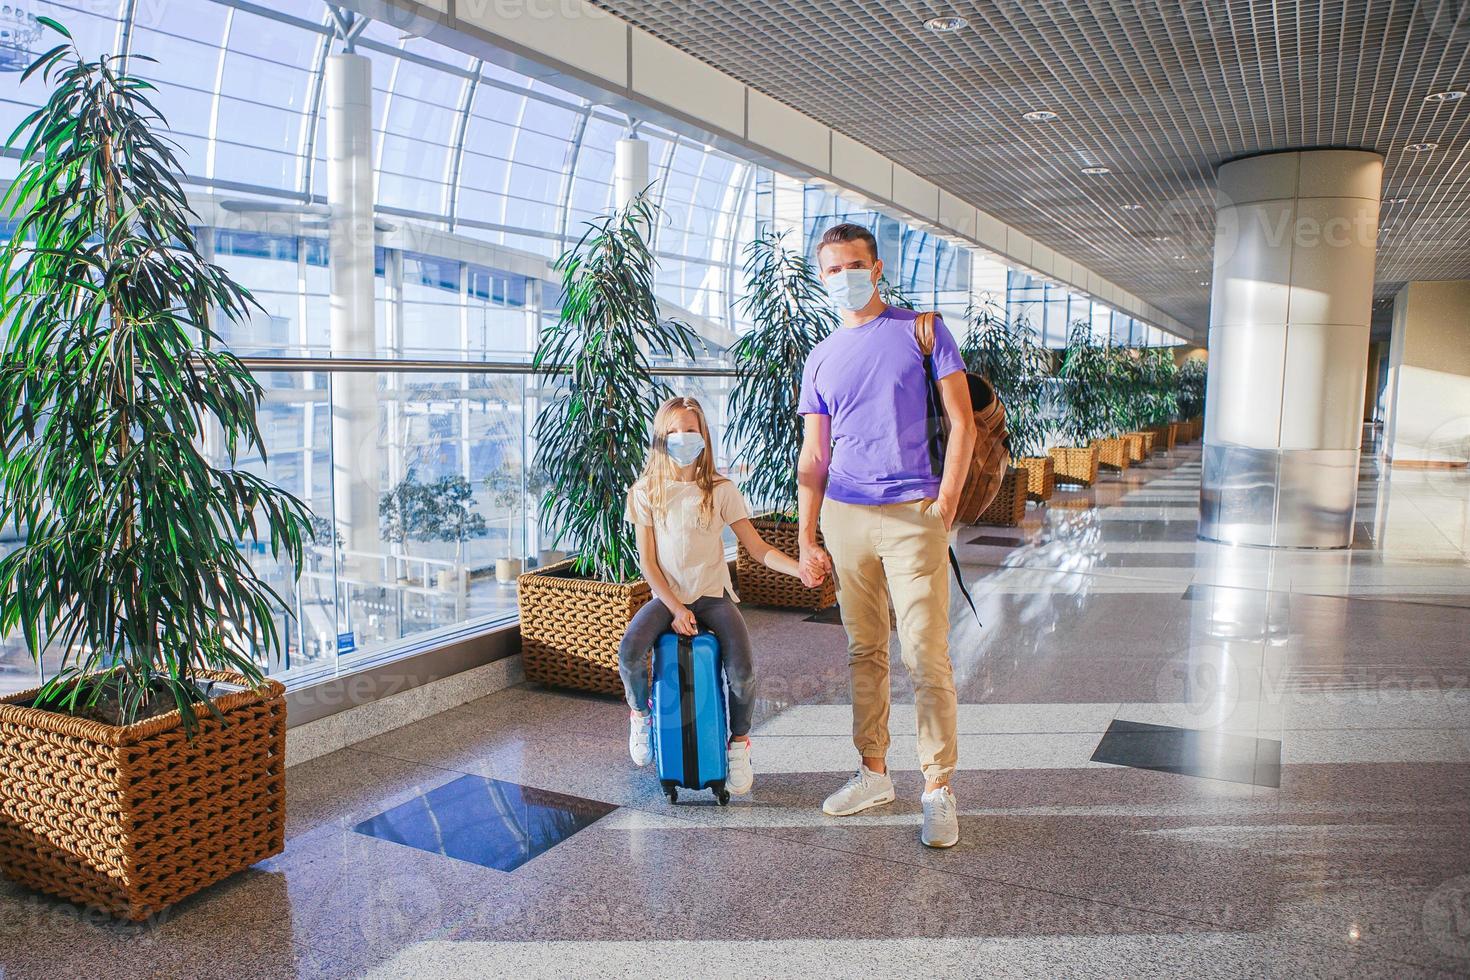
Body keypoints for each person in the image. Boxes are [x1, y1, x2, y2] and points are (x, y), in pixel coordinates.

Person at [794, 222, 977, 848]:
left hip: (913, 512)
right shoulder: (819, 357)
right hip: (844, 517)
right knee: (863, 650)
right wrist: (805, 536)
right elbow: (813, 456)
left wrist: (946, 498)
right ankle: (873, 771)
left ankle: (937, 787)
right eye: (831, 269)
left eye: (853, 265)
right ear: (822, 277)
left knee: (926, 653)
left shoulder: (920, 332)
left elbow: (961, 420)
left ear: (876, 269)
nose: (842, 277)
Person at [618, 395, 807, 796]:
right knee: (631, 649)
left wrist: (799, 568)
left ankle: (738, 743)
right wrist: (673, 607)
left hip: (712, 595)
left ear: (704, 435)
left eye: (690, 430)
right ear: (659, 438)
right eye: (673, 432)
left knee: (742, 671)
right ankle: (639, 715)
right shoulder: (645, 491)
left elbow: (756, 548)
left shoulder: (721, 490)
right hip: (667, 595)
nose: (682, 438)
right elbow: (648, 564)